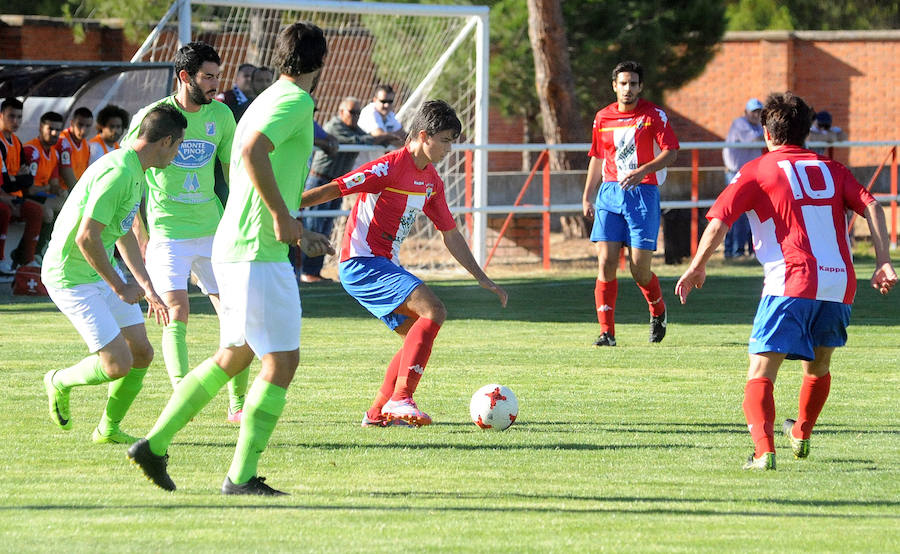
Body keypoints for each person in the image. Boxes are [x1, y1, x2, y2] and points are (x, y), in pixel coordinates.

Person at [127, 21, 333, 496]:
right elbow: (254, 150)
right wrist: (283, 220)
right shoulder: (297, 100)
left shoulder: (263, 99)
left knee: (235, 354)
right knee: (281, 361)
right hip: (257, 249)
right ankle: (240, 478)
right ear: (321, 63)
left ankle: (154, 445)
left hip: (236, 243)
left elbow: (257, 161)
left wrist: (295, 224)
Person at [675, 92, 897, 471]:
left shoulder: (759, 170)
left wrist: (697, 265)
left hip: (790, 282)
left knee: (760, 372)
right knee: (818, 367)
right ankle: (802, 433)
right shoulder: (833, 168)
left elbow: (720, 221)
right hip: (839, 285)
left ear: (766, 131)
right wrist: (883, 261)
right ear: (807, 131)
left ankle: (763, 452)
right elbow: (874, 206)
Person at [301, 99, 509, 428]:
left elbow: (450, 234)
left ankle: (377, 413)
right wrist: (283, 210)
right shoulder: (388, 167)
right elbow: (334, 188)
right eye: (445, 140)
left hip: (382, 263)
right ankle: (401, 400)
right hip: (361, 262)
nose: (449, 149)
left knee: (416, 334)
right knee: (434, 310)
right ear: (424, 136)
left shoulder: (431, 181)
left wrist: (482, 277)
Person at [40, 104, 184, 444]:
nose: (177, 155)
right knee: (118, 364)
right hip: (70, 277)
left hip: (96, 271)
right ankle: (58, 380)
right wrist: (120, 286)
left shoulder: (135, 170)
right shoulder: (120, 171)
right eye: (178, 146)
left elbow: (122, 232)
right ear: (165, 141)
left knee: (142, 353)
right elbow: (86, 237)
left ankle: (107, 429)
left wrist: (146, 286)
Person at [121, 41, 241, 422]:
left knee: (235, 314)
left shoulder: (221, 116)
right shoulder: (152, 117)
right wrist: (138, 228)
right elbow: (130, 173)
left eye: (218, 77)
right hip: (167, 234)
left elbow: (232, 173)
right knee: (176, 311)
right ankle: (182, 395)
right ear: (184, 77)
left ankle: (237, 403)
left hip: (213, 231)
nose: (215, 86)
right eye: (207, 77)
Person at [581, 60, 679, 347]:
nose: (627, 88)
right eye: (622, 83)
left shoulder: (653, 115)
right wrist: (588, 194)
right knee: (606, 261)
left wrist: (644, 170)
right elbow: (597, 157)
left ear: (640, 87)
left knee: (639, 269)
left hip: (643, 195)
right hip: (610, 194)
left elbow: (671, 152)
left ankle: (658, 310)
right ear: (614, 86)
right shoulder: (602, 118)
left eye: (633, 83)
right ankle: (606, 333)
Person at [299, 96, 396, 283]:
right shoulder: (334, 126)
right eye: (352, 112)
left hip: (336, 185)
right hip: (320, 181)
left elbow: (365, 138)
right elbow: (357, 140)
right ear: (341, 111)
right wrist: (380, 138)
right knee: (313, 225)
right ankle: (306, 272)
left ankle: (314, 272)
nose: (355, 116)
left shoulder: (355, 129)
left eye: (358, 112)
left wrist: (384, 140)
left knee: (325, 227)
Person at [0, 97, 43, 273]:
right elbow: (7, 181)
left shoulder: (16, 142)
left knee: (36, 211)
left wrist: (13, 179)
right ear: (1, 115)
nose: (15, 121)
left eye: (19, 117)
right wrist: (15, 178)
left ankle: (28, 259)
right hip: (3, 196)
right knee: (4, 210)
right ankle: (1, 259)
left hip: (12, 195)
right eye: (11, 116)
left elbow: (27, 180)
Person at [722, 99, 764, 259]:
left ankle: (750, 251)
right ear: (746, 112)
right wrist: (770, 134)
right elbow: (754, 140)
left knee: (753, 213)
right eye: (753, 111)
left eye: (759, 111)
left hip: (752, 175)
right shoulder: (740, 123)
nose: (756, 114)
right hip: (735, 174)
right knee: (735, 213)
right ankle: (733, 251)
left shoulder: (759, 126)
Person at [24, 111, 67, 257]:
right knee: (47, 212)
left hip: (40, 195)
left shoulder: (54, 153)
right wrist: (48, 188)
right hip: (24, 196)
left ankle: (52, 248)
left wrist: (59, 189)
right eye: (50, 128)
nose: (55, 133)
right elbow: (28, 189)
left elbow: (53, 184)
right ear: (41, 127)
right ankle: (33, 254)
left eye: (58, 129)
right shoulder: (32, 151)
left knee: (67, 204)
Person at [355, 84, 405, 166]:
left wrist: (393, 138)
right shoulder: (369, 112)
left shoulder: (389, 115)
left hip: (375, 167)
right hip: (359, 168)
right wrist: (395, 139)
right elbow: (379, 135)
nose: (387, 105)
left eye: (390, 102)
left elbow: (404, 136)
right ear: (374, 100)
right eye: (383, 101)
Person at [57, 107, 94, 189]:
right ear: (72, 123)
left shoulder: (86, 145)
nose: (84, 130)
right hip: (63, 191)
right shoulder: (63, 141)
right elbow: (66, 174)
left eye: (88, 126)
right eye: (80, 125)